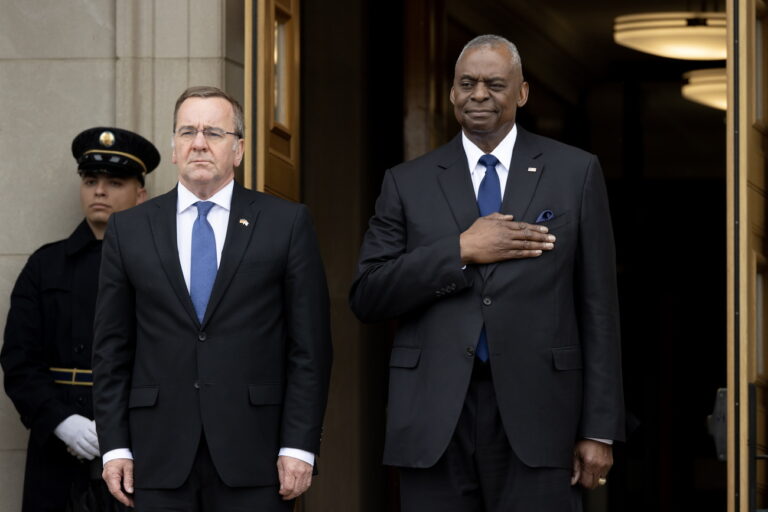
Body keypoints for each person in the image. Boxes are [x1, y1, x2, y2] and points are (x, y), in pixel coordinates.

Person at [349, 34, 625, 511]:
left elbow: (598, 306)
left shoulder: (574, 172)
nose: (479, 94)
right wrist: (461, 249)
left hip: (541, 416)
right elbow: (368, 294)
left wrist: (599, 428)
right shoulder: (406, 181)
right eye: (467, 83)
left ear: (521, 93)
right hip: (435, 418)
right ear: (452, 94)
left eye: (495, 84)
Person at [92, 85, 332, 511]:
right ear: (173, 148)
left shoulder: (286, 223)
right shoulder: (128, 230)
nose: (199, 143)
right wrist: (115, 447)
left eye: (214, 133)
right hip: (155, 455)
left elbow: (309, 348)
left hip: (256, 456)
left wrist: (299, 444)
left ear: (238, 149)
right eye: (187, 132)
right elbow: (111, 349)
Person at [1, 127, 159, 512]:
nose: (99, 191)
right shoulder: (45, 266)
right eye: (90, 181)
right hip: (57, 446)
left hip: (136, 446)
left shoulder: (160, 268)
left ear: (141, 193)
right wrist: (61, 421)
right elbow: (19, 361)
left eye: (114, 182)